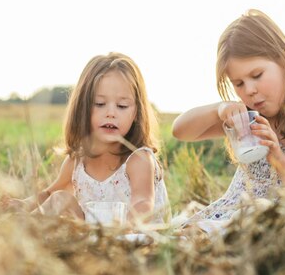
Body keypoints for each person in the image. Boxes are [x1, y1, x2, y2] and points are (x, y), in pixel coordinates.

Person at [172, 9, 285, 228]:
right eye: (239, 84)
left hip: (275, 229)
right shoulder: (246, 120)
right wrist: (220, 108)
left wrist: (279, 160)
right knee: (175, 238)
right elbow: (180, 130)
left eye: (257, 75)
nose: (250, 90)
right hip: (229, 219)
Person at [12, 53, 171, 225]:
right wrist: (23, 205)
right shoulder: (77, 161)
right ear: (83, 108)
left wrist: (129, 227)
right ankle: (23, 231)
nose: (111, 113)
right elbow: (49, 194)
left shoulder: (139, 159)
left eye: (122, 106)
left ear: (136, 113)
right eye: (100, 104)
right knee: (59, 199)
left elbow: (143, 201)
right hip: (94, 240)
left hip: (135, 238)